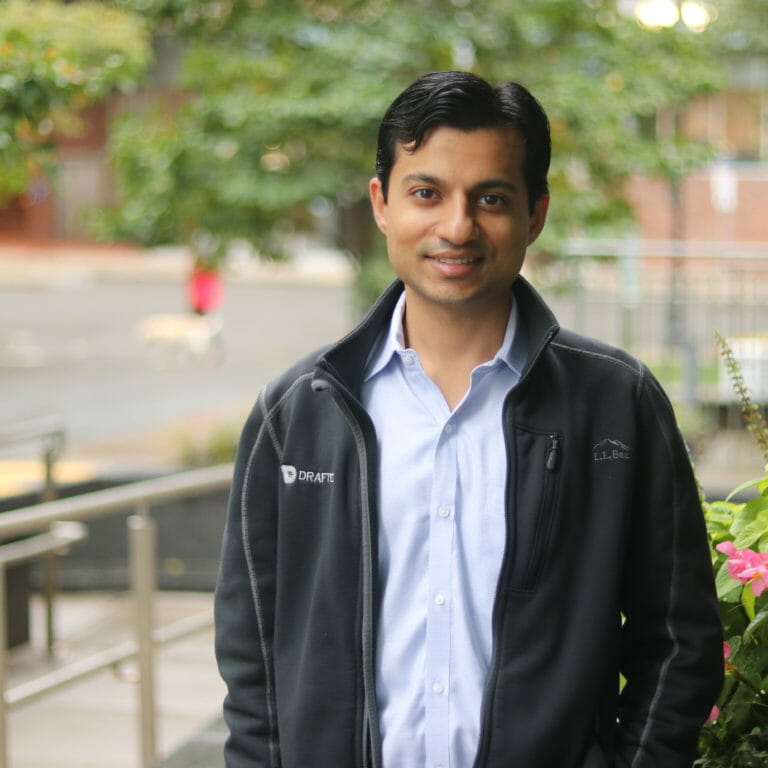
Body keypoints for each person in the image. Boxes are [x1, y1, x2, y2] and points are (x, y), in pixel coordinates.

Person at [214, 71, 723, 768]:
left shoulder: (616, 402)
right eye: (426, 193)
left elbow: (680, 641)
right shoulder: (299, 409)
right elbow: (252, 654)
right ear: (382, 204)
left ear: (535, 214)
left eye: (490, 198)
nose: (457, 227)